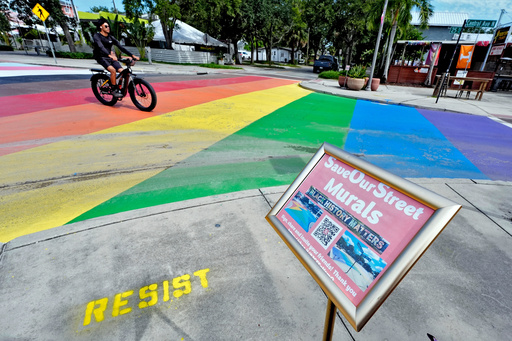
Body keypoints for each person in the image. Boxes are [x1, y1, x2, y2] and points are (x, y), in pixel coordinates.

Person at [93, 18, 139, 98]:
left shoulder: (111, 37)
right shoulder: (97, 36)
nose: (108, 28)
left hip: (110, 57)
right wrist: (109, 54)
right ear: (101, 27)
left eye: (108, 26)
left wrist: (132, 55)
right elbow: (101, 47)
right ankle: (114, 89)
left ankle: (119, 87)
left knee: (123, 72)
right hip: (101, 57)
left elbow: (121, 47)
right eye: (106, 26)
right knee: (113, 71)